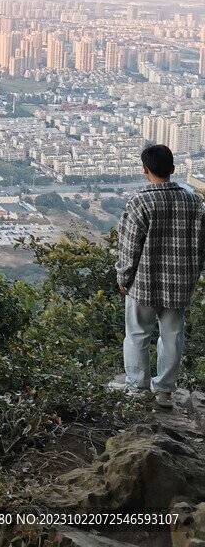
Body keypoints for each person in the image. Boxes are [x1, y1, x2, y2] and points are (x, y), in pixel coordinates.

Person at [115, 144, 205, 407]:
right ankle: (164, 391)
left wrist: (123, 277)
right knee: (172, 336)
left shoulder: (140, 201)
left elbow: (129, 246)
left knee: (137, 334)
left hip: (144, 282)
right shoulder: (194, 201)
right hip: (180, 282)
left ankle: (138, 388)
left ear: (145, 170)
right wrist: (193, 274)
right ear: (173, 169)